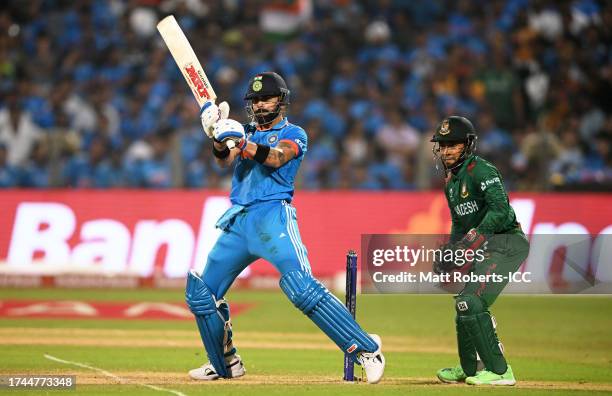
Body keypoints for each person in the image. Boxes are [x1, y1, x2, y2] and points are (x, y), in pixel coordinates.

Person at [187, 71, 385, 383]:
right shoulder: (246, 132)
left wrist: (239, 139)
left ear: (282, 101)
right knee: (201, 294)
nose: (261, 104)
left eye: (267, 98)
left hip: (273, 218)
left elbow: (277, 158)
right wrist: (215, 135)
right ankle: (225, 364)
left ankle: (367, 349)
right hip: (239, 220)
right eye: (255, 100)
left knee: (301, 288)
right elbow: (223, 160)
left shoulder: (295, 134)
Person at [430, 116, 529, 386]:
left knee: (472, 302)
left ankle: (500, 372)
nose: (447, 151)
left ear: (468, 145)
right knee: (464, 304)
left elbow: (500, 210)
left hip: (506, 243)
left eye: (453, 145)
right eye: (443, 145)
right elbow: (460, 224)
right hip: (484, 247)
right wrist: (452, 252)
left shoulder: (482, 171)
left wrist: (475, 238)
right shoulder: (451, 184)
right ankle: (470, 368)